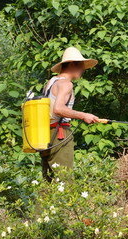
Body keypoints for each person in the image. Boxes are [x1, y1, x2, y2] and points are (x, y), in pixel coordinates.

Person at [40, 47, 99, 182]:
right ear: (72, 64)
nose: (83, 70)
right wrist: (83, 115)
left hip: (45, 135)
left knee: (48, 181)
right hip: (60, 134)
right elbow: (58, 109)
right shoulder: (66, 84)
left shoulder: (50, 83)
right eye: (81, 66)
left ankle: (44, 204)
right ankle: (65, 204)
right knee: (64, 179)